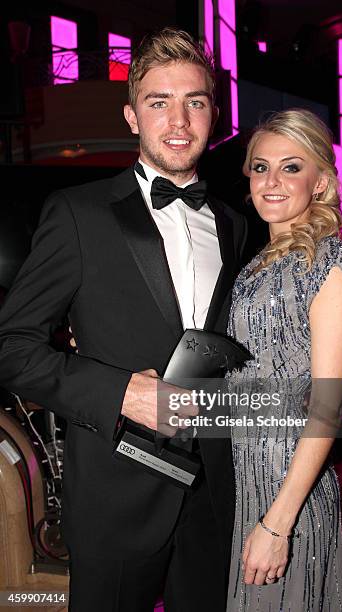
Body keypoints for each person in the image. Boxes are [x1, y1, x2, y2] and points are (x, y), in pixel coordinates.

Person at [0, 29, 247, 612]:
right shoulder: (78, 214)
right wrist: (122, 394)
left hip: (213, 487)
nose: (179, 121)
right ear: (132, 116)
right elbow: (11, 347)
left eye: (195, 101)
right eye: (159, 103)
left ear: (214, 112)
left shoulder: (234, 224)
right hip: (116, 488)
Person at [225, 109, 342, 611]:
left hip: (289, 492)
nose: (272, 181)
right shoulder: (258, 263)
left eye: (291, 167)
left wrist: (278, 524)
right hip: (244, 478)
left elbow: (326, 408)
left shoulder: (331, 263)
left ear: (321, 181)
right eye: (260, 168)